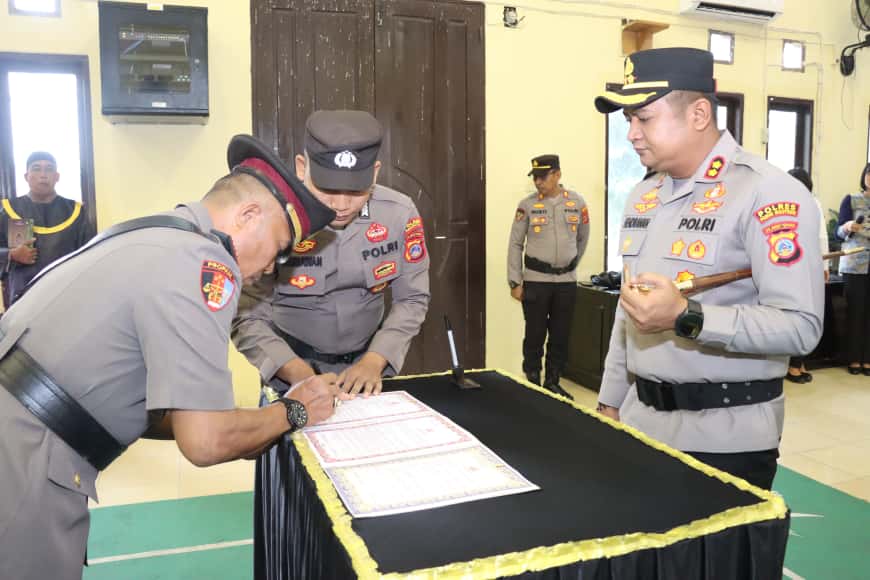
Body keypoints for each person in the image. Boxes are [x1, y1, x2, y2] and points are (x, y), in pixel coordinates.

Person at [0, 134, 345, 580]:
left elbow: (134, 404)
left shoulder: (153, 234)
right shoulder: (205, 263)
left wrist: (248, 427)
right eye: (278, 250)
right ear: (248, 216)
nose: (268, 269)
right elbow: (204, 442)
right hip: (24, 468)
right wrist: (295, 411)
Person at [593, 47, 824, 490]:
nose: (632, 134)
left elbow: (801, 326)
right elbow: (630, 311)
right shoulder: (642, 196)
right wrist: (610, 401)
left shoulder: (767, 193)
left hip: (725, 440)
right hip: (642, 425)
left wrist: (688, 317)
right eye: (628, 120)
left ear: (699, 114)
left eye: (644, 118)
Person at [232, 110, 430, 396]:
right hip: (289, 371)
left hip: (368, 373)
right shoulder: (273, 219)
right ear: (302, 168)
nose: (341, 205)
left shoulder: (398, 214)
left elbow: (412, 298)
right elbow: (246, 316)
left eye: (356, 191)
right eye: (328, 188)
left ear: (374, 173)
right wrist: (298, 374)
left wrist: (375, 360)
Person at [507, 154, 590, 399]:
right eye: (535, 177)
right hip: (536, 281)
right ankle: (533, 381)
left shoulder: (577, 202)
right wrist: (515, 280)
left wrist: (568, 264)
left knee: (560, 335)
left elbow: (582, 238)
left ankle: (553, 382)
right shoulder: (527, 205)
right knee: (534, 335)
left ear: (557, 174)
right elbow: (515, 244)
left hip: (566, 283)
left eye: (543, 177)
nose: (538, 182)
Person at [0, 151, 94, 308]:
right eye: (36, 169)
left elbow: (89, 254)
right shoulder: (10, 210)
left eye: (49, 169)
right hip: (23, 297)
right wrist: (11, 255)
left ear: (57, 177)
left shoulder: (75, 211)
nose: (43, 175)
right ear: (26, 176)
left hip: (65, 294)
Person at [785, 167, 829, 383]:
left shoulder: (813, 203)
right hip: (786, 267)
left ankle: (797, 363)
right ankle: (792, 365)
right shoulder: (780, 203)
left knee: (805, 313)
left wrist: (825, 266)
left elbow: (822, 236)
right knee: (789, 314)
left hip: (809, 266)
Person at [835, 162, 870, 375]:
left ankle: (868, 359)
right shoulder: (851, 199)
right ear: (864, 176)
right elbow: (838, 233)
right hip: (855, 264)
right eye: (869, 173)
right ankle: (854, 359)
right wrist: (847, 227)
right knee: (855, 312)